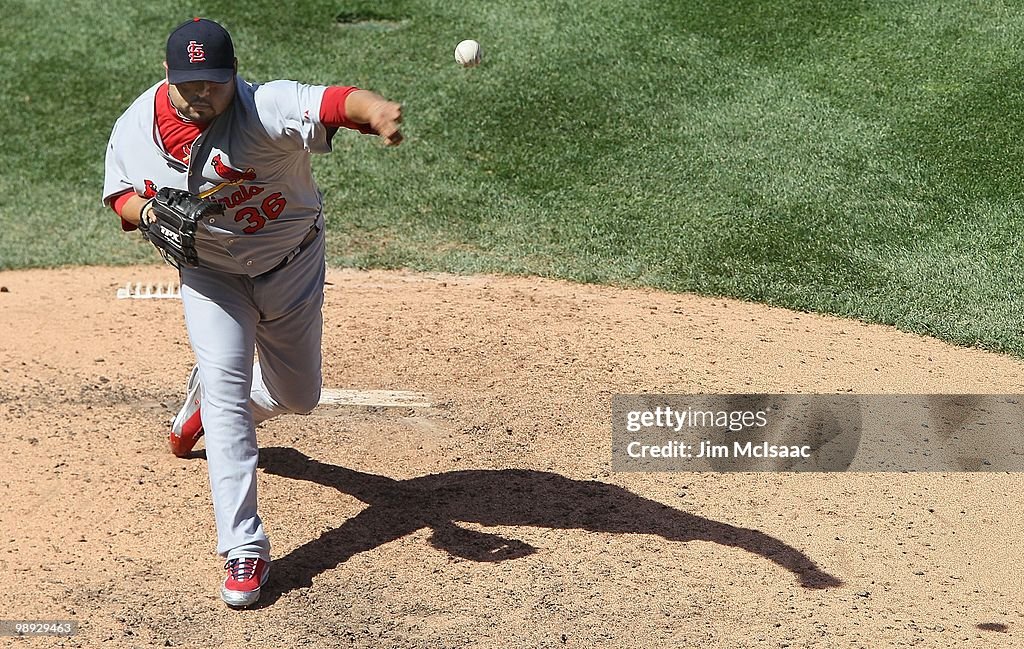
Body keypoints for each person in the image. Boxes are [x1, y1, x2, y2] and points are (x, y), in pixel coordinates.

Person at [101, 17, 403, 607]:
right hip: (211, 276)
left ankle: (205, 409)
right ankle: (243, 548)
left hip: (290, 263)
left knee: (297, 396)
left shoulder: (264, 108)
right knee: (226, 385)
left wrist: (375, 112)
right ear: (168, 76)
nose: (201, 95)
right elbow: (120, 196)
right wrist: (151, 214)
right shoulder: (135, 127)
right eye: (189, 84)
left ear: (232, 77)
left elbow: (333, 102)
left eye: (212, 83)